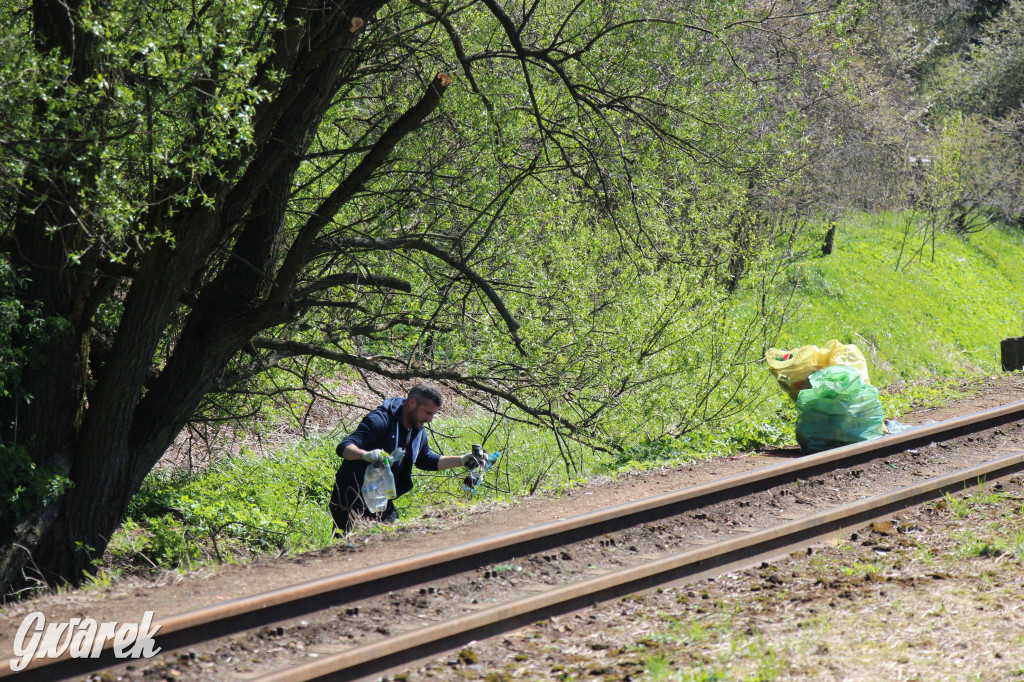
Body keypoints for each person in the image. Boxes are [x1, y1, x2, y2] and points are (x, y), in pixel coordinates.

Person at [329, 382, 486, 534]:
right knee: (347, 544)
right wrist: (364, 455)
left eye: (433, 414)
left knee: (391, 538)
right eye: (428, 413)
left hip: (379, 498)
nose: (430, 419)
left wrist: (461, 460)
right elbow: (344, 447)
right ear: (412, 403)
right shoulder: (380, 420)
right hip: (351, 495)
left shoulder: (417, 427)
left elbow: (425, 460)